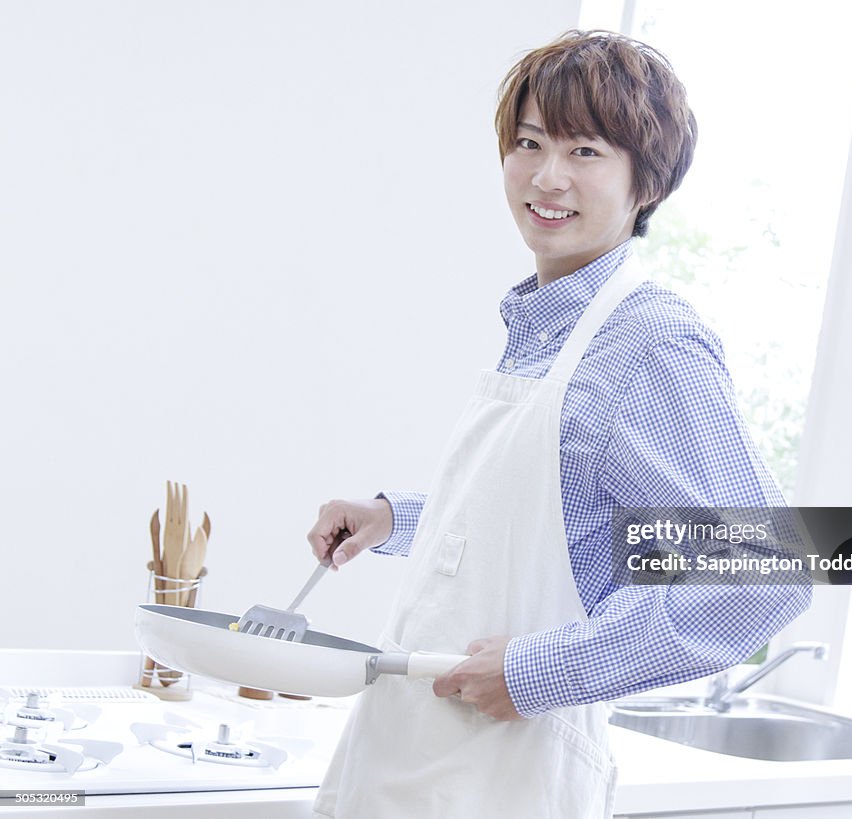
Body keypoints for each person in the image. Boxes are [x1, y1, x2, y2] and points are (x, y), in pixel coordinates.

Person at [309, 30, 811, 819]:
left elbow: (762, 569)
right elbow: (565, 528)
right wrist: (394, 519)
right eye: (529, 142)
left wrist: (542, 671)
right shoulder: (542, 327)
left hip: (502, 780)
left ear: (646, 182)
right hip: (404, 762)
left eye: (584, 151)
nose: (546, 176)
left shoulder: (649, 342)